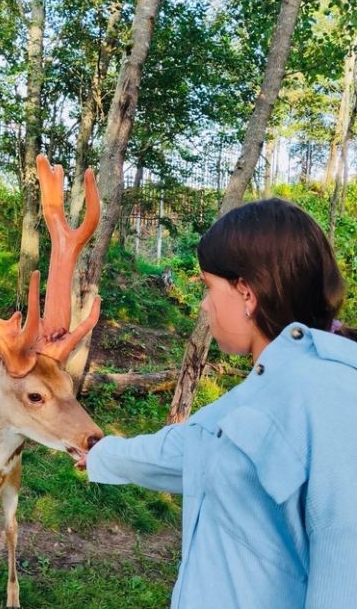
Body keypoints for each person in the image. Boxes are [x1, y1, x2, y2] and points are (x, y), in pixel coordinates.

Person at [82, 198, 357, 608]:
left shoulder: (331, 396)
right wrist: (100, 453)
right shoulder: (267, 384)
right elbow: (189, 449)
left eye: (209, 288)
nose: (204, 305)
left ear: (246, 292)